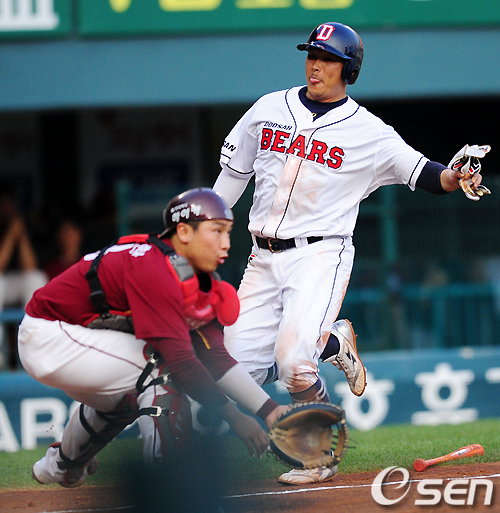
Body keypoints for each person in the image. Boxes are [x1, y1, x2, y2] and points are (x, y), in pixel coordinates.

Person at [213, 22, 488, 485]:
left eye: (328, 59)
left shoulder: (368, 132)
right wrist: (204, 234)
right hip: (262, 259)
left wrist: (454, 175)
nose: (315, 65)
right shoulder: (268, 108)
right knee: (233, 375)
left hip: (319, 255)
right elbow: (231, 178)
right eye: (312, 54)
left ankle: (319, 453)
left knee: (295, 364)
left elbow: (423, 172)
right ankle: (333, 342)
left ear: (349, 69)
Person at [19, 187, 287, 489]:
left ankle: (62, 465)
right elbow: (183, 363)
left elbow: (214, 355)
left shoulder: (192, 276)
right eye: (216, 231)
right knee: (162, 373)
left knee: (129, 397)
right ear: (183, 232)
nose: (225, 243)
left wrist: (269, 410)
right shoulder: (154, 267)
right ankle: (171, 492)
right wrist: (235, 417)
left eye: (227, 232)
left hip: (83, 342)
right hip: (48, 335)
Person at [0, 182, 47, 367]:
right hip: (2, 285)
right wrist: (10, 236)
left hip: (14, 284)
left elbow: (30, 266)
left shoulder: (20, 225)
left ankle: (34, 348)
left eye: (9, 203)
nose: (6, 208)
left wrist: (19, 234)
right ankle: (0, 353)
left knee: (36, 278)